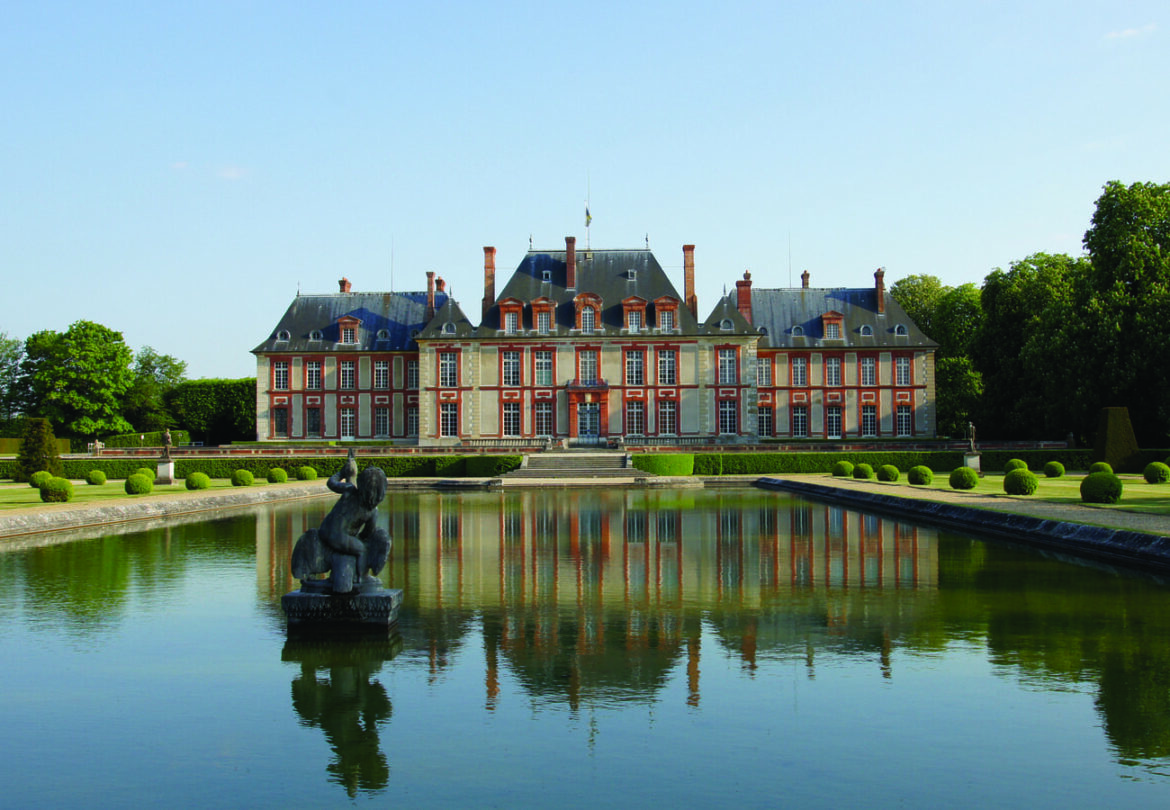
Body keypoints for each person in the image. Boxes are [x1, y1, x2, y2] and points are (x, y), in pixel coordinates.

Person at [291, 452, 391, 593]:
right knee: (362, 549)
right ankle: (362, 577)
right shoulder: (372, 511)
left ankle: (312, 575)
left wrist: (342, 473)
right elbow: (367, 533)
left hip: (324, 531)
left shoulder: (350, 490)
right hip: (340, 537)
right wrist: (357, 540)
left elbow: (331, 483)